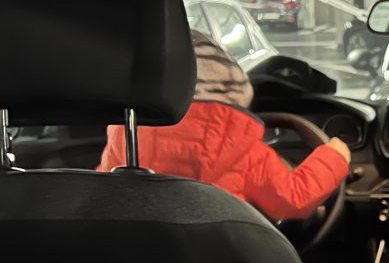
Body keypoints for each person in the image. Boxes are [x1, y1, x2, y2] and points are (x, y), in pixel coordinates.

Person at [98, 31, 351, 220]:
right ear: (233, 87)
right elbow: (293, 200)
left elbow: (104, 198)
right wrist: (335, 155)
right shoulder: (240, 145)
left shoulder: (125, 141)